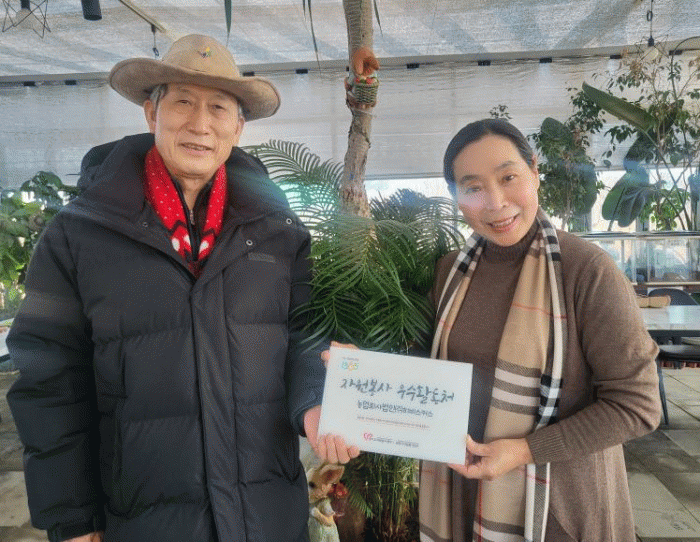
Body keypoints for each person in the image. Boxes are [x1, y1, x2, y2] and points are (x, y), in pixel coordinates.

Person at [6, 34, 356, 542]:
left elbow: (306, 334)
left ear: (238, 127)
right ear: (152, 113)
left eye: (218, 108)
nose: (200, 124)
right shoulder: (77, 234)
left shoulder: (279, 231)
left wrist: (313, 399)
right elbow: (49, 380)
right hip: (143, 515)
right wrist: (72, 518)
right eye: (183, 102)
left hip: (266, 512)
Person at [418, 119, 661, 542]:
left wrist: (525, 450)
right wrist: (357, 371)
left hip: (559, 503)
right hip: (464, 489)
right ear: (456, 197)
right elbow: (431, 370)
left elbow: (637, 405)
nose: (495, 202)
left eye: (508, 177)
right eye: (472, 187)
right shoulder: (450, 272)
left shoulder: (587, 271)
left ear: (534, 170)